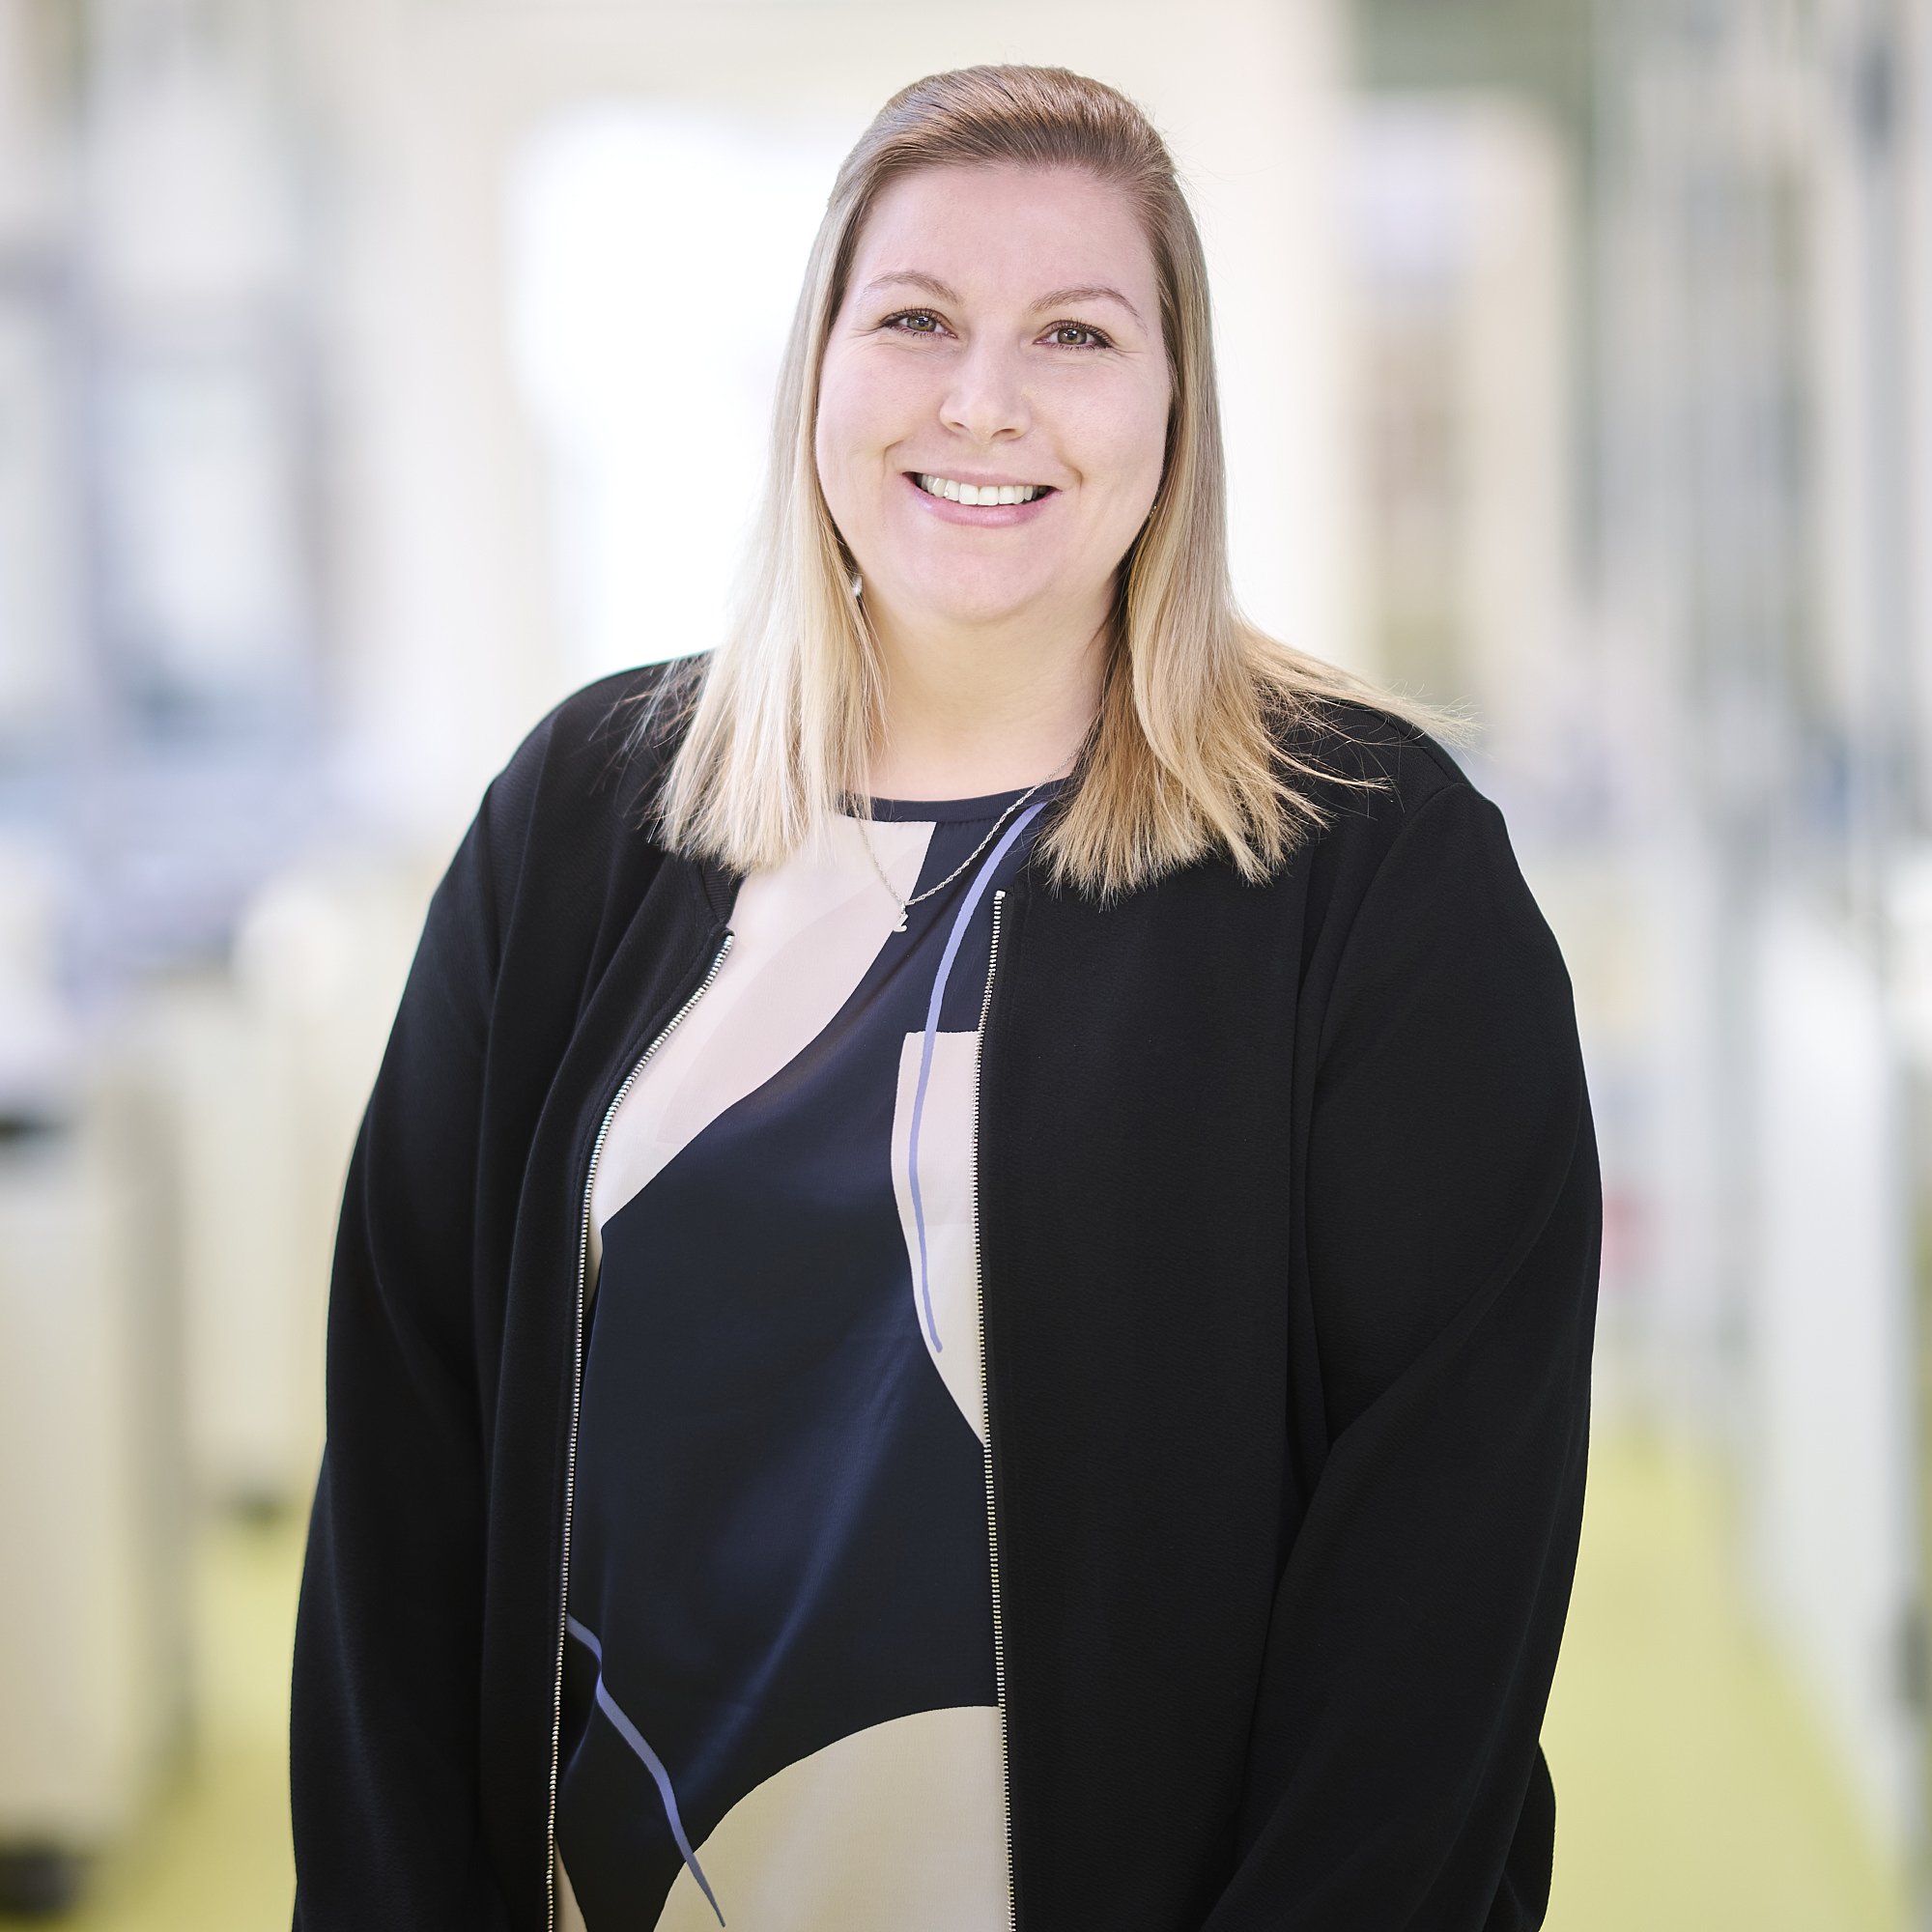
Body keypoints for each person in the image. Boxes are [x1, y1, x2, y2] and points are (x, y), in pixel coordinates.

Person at [289, 63, 1600, 1932]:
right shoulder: (583, 818)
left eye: (1077, 333)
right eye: (915, 319)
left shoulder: (1372, 867)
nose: (984, 399)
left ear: (1175, 408)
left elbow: (1440, 1584)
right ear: (816, 372)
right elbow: (406, 1475)